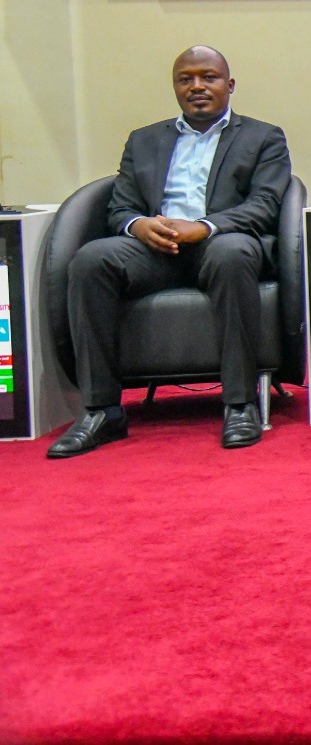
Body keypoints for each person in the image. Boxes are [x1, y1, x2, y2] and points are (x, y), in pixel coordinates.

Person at [47, 47, 292, 458]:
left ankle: (239, 403)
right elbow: (119, 208)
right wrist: (138, 225)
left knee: (232, 254)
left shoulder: (263, 137)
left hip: (221, 243)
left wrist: (205, 227)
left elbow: (265, 205)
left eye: (209, 77)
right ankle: (102, 410)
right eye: (186, 79)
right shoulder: (144, 140)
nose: (197, 86)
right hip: (156, 250)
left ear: (229, 86)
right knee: (91, 261)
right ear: (175, 87)